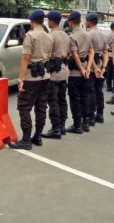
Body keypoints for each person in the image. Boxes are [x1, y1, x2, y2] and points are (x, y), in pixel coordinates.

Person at [9, 10, 53, 150]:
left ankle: (26, 139)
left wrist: (20, 79)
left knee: (24, 107)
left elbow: (25, 58)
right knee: (41, 107)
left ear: (31, 21)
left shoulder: (30, 36)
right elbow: (48, 56)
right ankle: (38, 136)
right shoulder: (49, 37)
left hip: (30, 76)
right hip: (44, 75)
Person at [42, 11, 70, 140]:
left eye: (48, 20)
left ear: (52, 21)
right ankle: (62, 126)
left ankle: (55, 128)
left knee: (53, 101)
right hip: (64, 70)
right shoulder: (66, 35)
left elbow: (46, 54)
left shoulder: (51, 36)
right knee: (62, 99)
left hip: (53, 72)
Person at [66, 11, 94, 134]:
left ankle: (77, 124)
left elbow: (75, 55)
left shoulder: (72, 37)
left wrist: (82, 69)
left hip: (75, 73)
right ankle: (86, 122)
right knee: (85, 97)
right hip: (86, 71)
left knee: (75, 98)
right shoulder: (87, 35)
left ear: (71, 22)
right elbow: (91, 51)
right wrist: (88, 68)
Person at [86, 13, 109, 125]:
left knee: (91, 90)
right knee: (99, 90)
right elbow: (105, 52)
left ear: (89, 21)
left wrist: (94, 68)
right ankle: (100, 114)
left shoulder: (89, 34)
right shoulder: (103, 34)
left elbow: (90, 53)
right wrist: (103, 67)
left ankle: (90, 115)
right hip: (100, 62)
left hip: (92, 64)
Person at [105, 22, 114, 92]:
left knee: (109, 70)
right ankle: (112, 85)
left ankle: (108, 85)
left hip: (108, 54)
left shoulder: (108, 35)